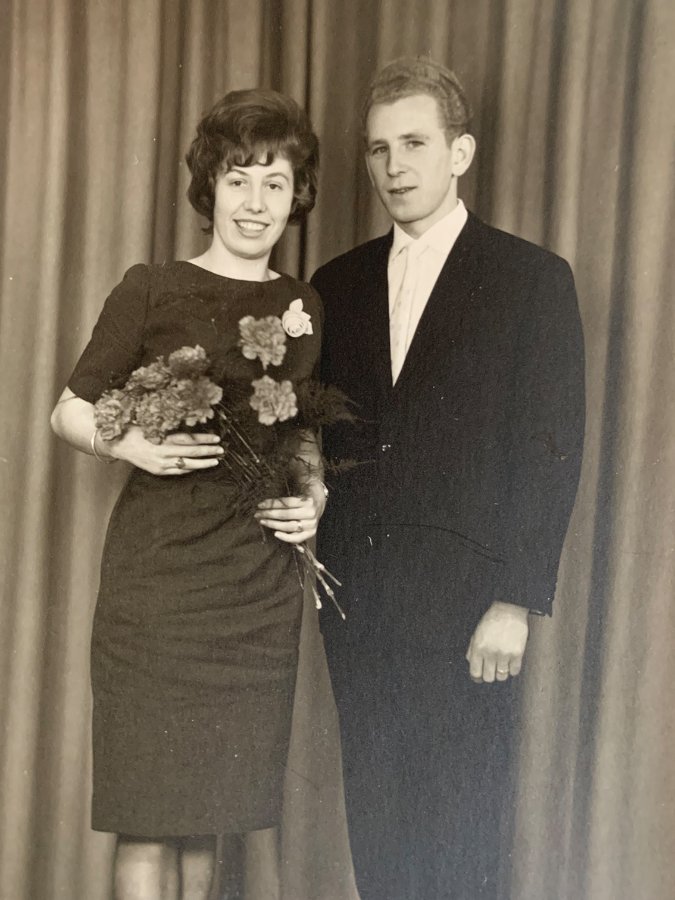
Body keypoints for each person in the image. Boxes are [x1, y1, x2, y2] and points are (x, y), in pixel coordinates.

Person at [312, 58, 585, 900]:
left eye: (414, 144)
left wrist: (515, 599)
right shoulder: (335, 285)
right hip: (357, 601)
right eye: (378, 149)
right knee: (377, 826)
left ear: (459, 153)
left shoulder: (530, 278)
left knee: (461, 837)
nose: (394, 167)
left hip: (469, 608)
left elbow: (550, 449)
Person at [50, 89, 325, 900]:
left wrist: (313, 498)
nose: (255, 201)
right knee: (148, 818)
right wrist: (130, 444)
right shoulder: (153, 286)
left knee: (213, 818)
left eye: (275, 183)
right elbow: (67, 409)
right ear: (210, 186)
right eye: (239, 179)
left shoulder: (304, 306)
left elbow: (303, 434)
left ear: (296, 196)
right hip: (159, 587)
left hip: (254, 594)